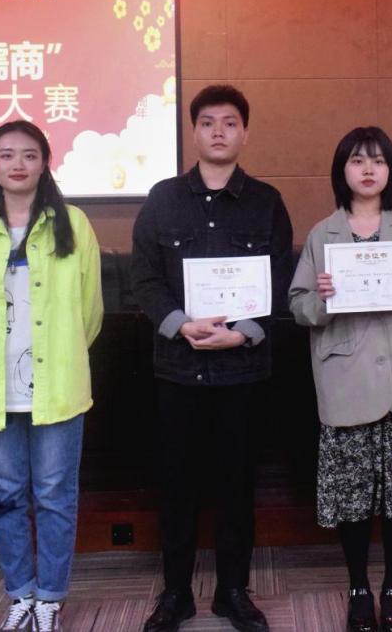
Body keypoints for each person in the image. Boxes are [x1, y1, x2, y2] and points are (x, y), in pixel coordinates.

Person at [131, 85, 294, 632]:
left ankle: (232, 592)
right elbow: (144, 279)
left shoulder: (267, 201)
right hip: (178, 368)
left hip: (242, 371)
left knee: (237, 485)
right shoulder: (162, 198)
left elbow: (279, 278)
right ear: (194, 132)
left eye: (229, 122)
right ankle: (176, 594)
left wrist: (244, 334)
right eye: (207, 122)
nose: (218, 131)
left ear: (244, 132)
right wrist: (182, 324)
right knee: (176, 485)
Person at [289, 126, 392, 632]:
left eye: (378, 161)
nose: (368, 169)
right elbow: (298, 304)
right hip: (347, 378)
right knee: (352, 497)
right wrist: (322, 298)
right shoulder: (323, 234)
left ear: (390, 171)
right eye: (358, 160)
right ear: (342, 170)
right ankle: (359, 586)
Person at [0, 120, 103, 632]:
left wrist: (62, 356)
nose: (18, 164)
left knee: (55, 497)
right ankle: (20, 593)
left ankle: (51, 597)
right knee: (7, 496)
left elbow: (90, 311)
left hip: (58, 387)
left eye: (30, 154)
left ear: (45, 162)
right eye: (7, 154)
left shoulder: (73, 224)